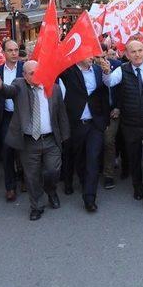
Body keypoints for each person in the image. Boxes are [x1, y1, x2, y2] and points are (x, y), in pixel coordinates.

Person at [0, 61, 70, 220]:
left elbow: (62, 115)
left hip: (50, 140)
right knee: (32, 177)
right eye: (31, 73)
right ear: (24, 76)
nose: (36, 75)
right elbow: (7, 91)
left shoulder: (54, 88)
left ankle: (51, 191)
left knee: (53, 171)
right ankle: (37, 206)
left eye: (38, 71)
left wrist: (65, 138)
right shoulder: (19, 86)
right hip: (28, 142)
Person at [101, 40, 143, 210]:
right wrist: (105, 72)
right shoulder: (122, 70)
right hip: (130, 124)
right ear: (127, 54)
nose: (137, 54)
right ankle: (138, 187)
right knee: (134, 159)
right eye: (133, 51)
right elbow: (110, 82)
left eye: (140, 50)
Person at [59, 57, 109, 212]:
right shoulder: (68, 71)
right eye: (88, 55)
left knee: (93, 159)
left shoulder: (98, 70)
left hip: (95, 124)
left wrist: (104, 120)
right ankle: (82, 180)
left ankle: (89, 198)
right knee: (79, 158)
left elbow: (104, 95)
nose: (92, 58)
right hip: (76, 123)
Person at [0, 40, 25, 202]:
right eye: (10, 50)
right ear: (4, 53)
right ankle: (10, 187)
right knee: (7, 151)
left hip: (23, 115)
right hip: (6, 116)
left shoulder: (25, 70)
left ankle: (25, 178)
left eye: (16, 50)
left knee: (24, 149)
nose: (14, 53)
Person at [101, 47, 123, 190]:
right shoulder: (91, 70)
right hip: (97, 113)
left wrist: (118, 107)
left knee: (109, 140)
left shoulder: (118, 66)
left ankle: (108, 174)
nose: (102, 60)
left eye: (104, 56)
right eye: (98, 57)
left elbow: (123, 88)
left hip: (113, 111)